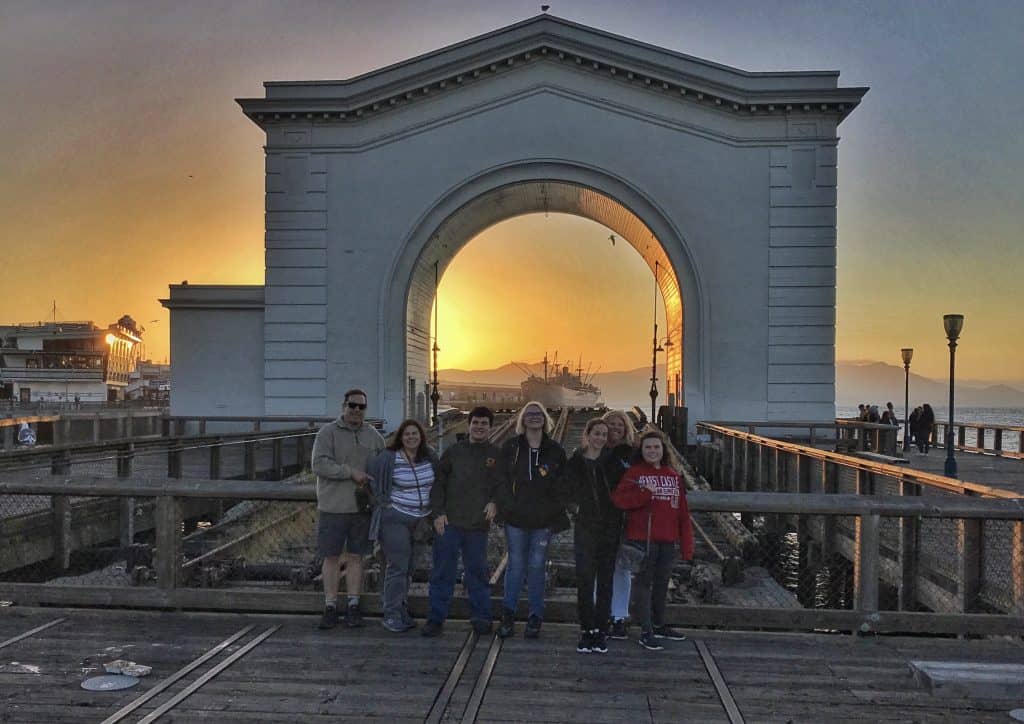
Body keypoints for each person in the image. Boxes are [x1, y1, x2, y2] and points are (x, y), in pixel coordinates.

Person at [422, 406, 502, 637]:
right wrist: (437, 513)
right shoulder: (454, 452)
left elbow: (502, 485)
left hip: (477, 525)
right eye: (475, 423)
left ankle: (481, 617)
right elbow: (438, 484)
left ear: (490, 427)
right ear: (469, 425)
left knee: (477, 572)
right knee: (442, 573)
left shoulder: (495, 455)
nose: (479, 427)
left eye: (484, 423)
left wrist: (495, 502)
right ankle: (436, 619)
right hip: (449, 523)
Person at [612, 430, 694, 651]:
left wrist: (686, 545)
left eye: (656, 447)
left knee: (661, 585)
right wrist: (644, 494)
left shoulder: (673, 475)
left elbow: (682, 514)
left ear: (663, 450)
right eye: (648, 447)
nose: (652, 451)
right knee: (643, 585)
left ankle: (659, 624)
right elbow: (620, 500)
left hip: (667, 540)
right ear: (642, 450)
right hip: (642, 540)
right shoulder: (634, 473)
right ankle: (645, 630)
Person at [312, 388, 385, 630]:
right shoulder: (327, 433)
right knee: (331, 557)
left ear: (365, 410)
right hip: (333, 507)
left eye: (360, 407)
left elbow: (382, 464)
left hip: (361, 507)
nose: (356, 410)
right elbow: (319, 464)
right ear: (343, 406)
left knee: (357, 557)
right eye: (352, 405)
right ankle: (330, 605)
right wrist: (350, 472)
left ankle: (354, 604)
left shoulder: (373, 435)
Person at [495, 401, 568, 639]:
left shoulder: (555, 450)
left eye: (539, 414)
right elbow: (501, 480)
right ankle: (508, 615)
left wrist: (554, 509)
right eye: (530, 414)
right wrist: (507, 506)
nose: (534, 418)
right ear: (522, 420)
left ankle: (535, 616)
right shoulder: (511, 447)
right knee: (516, 567)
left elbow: (561, 485)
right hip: (515, 518)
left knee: (536, 568)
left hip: (543, 520)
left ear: (545, 419)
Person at [367, 418, 439, 633]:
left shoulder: (430, 456)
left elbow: (440, 481)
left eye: (415, 434)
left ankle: (401, 609)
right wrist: (382, 502)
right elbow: (371, 477)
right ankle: (391, 614)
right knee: (397, 566)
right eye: (407, 434)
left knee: (409, 568)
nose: (411, 437)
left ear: (421, 436)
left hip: (421, 521)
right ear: (401, 437)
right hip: (395, 519)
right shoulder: (389, 458)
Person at [564, 417, 621, 654]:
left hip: (609, 527)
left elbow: (622, 489)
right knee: (585, 578)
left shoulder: (612, 462)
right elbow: (564, 488)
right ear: (587, 434)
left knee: (606, 579)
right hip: (586, 526)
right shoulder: (576, 461)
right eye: (596, 433)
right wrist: (574, 508)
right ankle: (587, 628)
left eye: (604, 435)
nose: (600, 438)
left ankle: (601, 628)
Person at [601, 409, 637, 640]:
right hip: (599, 518)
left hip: (625, 518)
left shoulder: (633, 454)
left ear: (626, 429)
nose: (615, 428)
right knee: (599, 567)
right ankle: (601, 613)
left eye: (619, 425)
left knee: (622, 568)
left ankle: (619, 615)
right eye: (610, 425)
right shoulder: (595, 452)